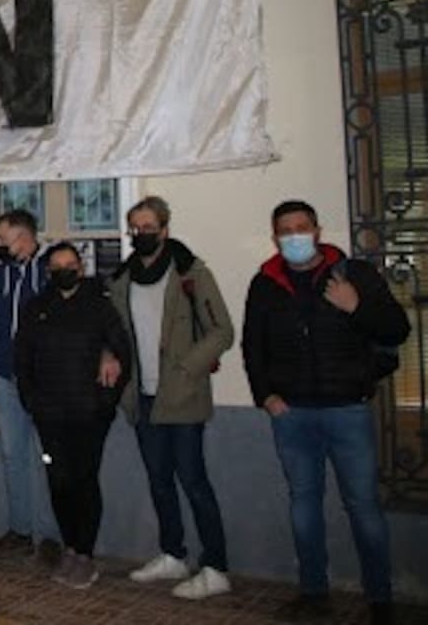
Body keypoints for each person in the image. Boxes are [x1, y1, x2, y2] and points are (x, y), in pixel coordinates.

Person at [244, 200, 409, 625]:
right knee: (304, 504)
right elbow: (252, 347)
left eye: (302, 227)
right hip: (292, 413)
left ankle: (380, 599)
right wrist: (266, 396)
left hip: (346, 410)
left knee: (363, 506)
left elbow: (396, 329)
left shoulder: (353, 274)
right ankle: (314, 592)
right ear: (275, 236)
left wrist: (356, 306)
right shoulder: (265, 283)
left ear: (317, 231)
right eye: (285, 230)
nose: (294, 236)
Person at [108, 196, 234, 601]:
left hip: (182, 397)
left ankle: (216, 566)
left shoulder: (190, 273)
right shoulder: (122, 279)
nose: (142, 234)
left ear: (164, 229)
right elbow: (115, 332)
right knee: (159, 482)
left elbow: (222, 331)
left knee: (194, 481)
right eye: (136, 228)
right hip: (142, 399)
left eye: (149, 227)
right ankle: (173, 554)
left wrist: (185, 369)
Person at [17, 242, 131, 590]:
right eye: (57, 265)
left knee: (84, 481)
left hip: (89, 416)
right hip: (49, 417)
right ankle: (69, 546)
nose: (65, 270)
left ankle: (85, 555)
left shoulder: (100, 305)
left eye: (71, 264)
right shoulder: (36, 308)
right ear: (49, 271)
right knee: (59, 482)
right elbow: (22, 359)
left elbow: (122, 353)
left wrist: (104, 404)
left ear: (81, 268)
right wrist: (32, 403)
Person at [0, 209, 61, 563]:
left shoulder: (50, 272)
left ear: (24, 237)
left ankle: (51, 536)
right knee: (13, 456)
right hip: (3, 378)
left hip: (42, 382)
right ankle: (20, 529)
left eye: (3, 238)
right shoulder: (0, 274)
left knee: (47, 458)